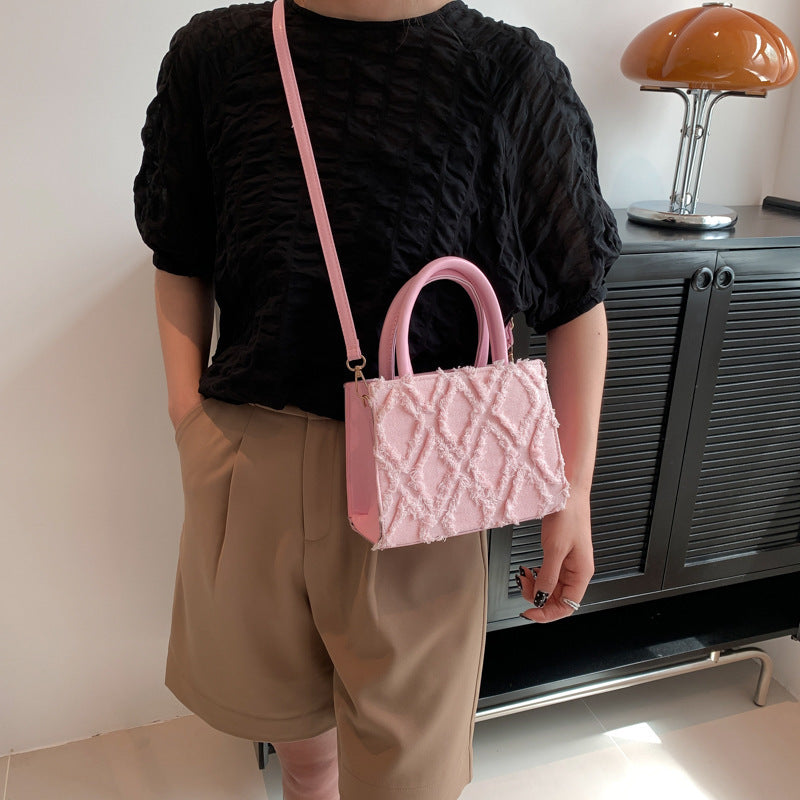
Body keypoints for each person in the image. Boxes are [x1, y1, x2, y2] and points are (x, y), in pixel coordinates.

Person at [133, 0, 621, 798]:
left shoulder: (507, 71)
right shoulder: (215, 55)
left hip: (427, 480)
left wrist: (571, 493)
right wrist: (187, 419)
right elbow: (178, 251)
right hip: (250, 462)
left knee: (408, 782)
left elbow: (576, 298)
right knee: (301, 755)